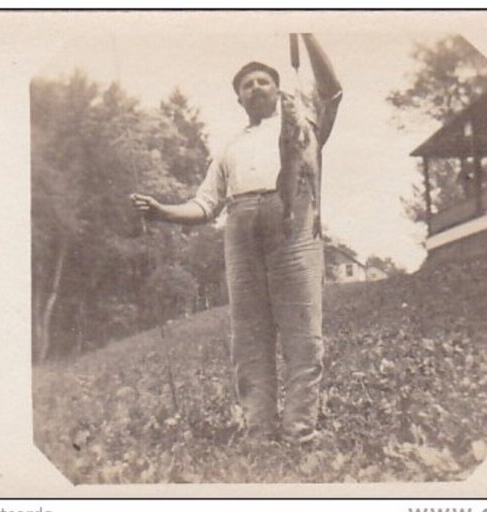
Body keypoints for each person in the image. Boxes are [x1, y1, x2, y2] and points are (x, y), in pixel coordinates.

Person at [130, 34, 342, 444]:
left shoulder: (303, 125)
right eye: (248, 85)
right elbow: (204, 205)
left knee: (302, 330)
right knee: (249, 335)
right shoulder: (229, 147)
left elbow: (332, 91)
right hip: (240, 228)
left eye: (264, 81)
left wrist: (309, 32)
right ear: (239, 99)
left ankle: (300, 430)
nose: (257, 87)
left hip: (293, 219)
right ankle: (259, 432)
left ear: (280, 90)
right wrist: (161, 211)